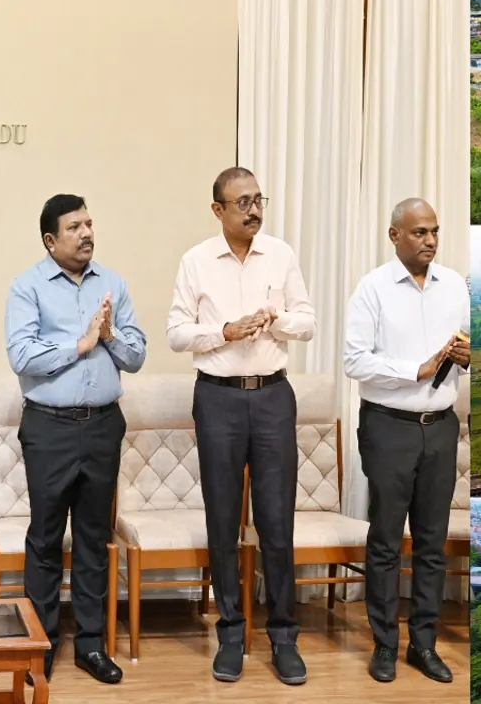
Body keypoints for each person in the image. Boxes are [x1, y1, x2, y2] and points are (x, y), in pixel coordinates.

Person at [167, 167, 315, 685]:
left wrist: (277, 320)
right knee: (223, 521)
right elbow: (176, 332)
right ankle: (231, 634)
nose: (254, 211)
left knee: (277, 524)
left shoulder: (281, 254)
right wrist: (224, 331)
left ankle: (283, 636)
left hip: (273, 396)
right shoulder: (196, 261)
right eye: (243, 202)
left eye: (259, 200)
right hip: (219, 399)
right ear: (218, 210)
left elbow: (309, 321)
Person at [5, 193, 145, 685]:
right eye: (74, 227)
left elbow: (137, 355)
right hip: (50, 428)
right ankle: (39, 642)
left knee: (92, 536)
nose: (86, 233)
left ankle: (90, 645)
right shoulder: (28, 287)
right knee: (45, 537)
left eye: (89, 223)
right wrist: (80, 344)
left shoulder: (113, 283)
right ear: (50, 239)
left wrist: (107, 337)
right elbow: (22, 355)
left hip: (104, 423)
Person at [343, 198, 468, 685]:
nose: (430, 240)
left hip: (440, 428)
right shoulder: (372, 289)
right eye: (419, 232)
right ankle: (383, 645)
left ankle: (424, 644)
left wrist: (470, 353)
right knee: (386, 543)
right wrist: (411, 370)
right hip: (388, 427)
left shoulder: (456, 285)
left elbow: (476, 344)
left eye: (435, 231)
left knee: (432, 544)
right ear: (395, 235)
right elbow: (354, 361)